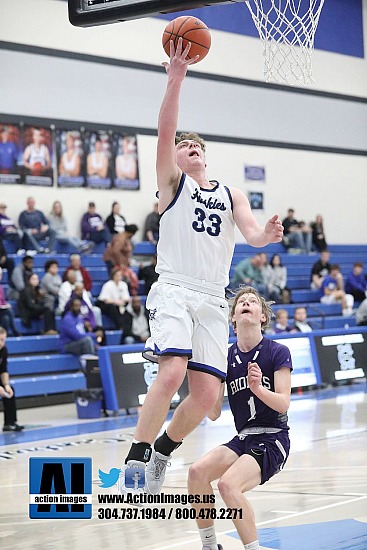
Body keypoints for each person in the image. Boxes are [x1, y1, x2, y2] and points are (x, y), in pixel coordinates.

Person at [118, 39, 284, 496]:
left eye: (196, 145)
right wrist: (175, 79)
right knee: (171, 372)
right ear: (173, 159)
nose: (188, 147)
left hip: (213, 296)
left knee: (208, 395)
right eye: (182, 146)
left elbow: (250, 235)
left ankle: (163, 452)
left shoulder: (231, 194)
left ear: (205, 156)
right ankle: (137, 453)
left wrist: (265, 236)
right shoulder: (171, 187)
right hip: (174, 288)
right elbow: (166, 129)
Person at [188, 287, 292, 550]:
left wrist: (258, 389)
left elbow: (283, 403)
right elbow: (212, 414)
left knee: (227, 485)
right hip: (244, 438)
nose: (246, 303)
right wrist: (206, 382)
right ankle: (209, 546)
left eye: (253, 302)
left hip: (272, 437)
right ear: (233, 318)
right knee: (197, 472)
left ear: (262, 316)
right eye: (241, 302)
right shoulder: (224, 357)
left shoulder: (277, 351)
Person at [95, 267, 133, 337]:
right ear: (113, 275)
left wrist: (121, 302)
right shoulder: (108, 285)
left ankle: (127, 333)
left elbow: (126, 298)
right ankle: (119, 326)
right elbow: (105, 300)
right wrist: (117, 301)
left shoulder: (123, 284)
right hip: (107, 305)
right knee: (113, 308)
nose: (119, 277)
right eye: (117, 275)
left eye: (120, 275)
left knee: (128, 314)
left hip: (120, 305)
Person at [0, 327, 24, 431]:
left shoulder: (3, 350)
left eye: (3, 340)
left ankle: (10, 423)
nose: (1, 343)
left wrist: (6, 385)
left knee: (10, 391)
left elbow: (4, 370)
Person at [0, 268, 19, 336]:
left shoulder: (1, 287)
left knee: (6, 318)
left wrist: (6, 305)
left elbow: (3, 301)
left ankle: (5, 336)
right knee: (9, 311)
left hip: (1, 311)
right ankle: (14, 330)